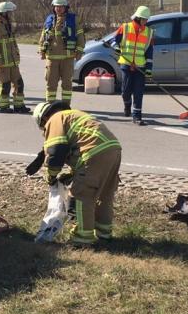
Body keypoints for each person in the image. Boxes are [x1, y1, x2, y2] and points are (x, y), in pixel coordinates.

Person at [31, 101, 122, 245]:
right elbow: (80, 144)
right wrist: (74, 173)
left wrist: (51, 177)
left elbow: (56, 151)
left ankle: (82, 239)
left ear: (43, 119)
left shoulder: (55, 119)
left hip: (94, 153)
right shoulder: (72, 115)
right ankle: (104, 234)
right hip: (113, 149)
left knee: (80, 194)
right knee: (104, 195)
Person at [38, 0, 85, 107]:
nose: (58, 8)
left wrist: (79, 51)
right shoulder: (49, 19)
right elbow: (43, 36)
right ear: (53, 7)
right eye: (56, 6)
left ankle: (65, 106)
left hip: (67, 58)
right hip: (52, 58)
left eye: (61, 6)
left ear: (66, 7)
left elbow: (80, 36)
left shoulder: (73, 19)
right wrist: (41, 50)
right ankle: (50, 106)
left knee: (67, 85)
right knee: (51, 84)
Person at [113, 6, 155, 125]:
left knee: (138, 92)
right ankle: (127, 105)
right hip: (126, 65)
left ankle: (137, 117)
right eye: (144, 19)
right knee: (125, 91)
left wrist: (149, 70)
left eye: (147, 19)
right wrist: (116, 47)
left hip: (140, 67)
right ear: (137, 18)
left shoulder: (149, 33)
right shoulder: (125, 27)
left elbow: (150, 53)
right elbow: (115, 40)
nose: (146, 21)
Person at [0, 1, 31, 113]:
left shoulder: (8, 25)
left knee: (19, 84)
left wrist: (16, 55)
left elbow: (12, 43)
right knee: (5, 86)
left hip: (12, 62)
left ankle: (19, 105)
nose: (11, 15)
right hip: (2, 64)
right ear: (3, 13)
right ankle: (4, 106)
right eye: (9, 13)